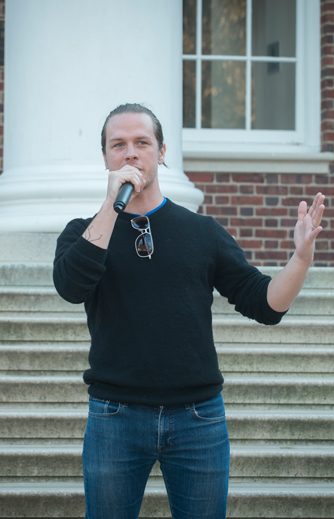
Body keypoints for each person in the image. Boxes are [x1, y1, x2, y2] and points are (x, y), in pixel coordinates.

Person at [53, 103, 325, 519]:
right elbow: (71, 287)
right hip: (115, 417)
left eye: (142, 143)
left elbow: (266, 304)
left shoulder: (202, 232)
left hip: (198, 419)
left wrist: (300, 260)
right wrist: (112, 206)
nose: (130, 153)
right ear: (106, 157)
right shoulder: (83, 232)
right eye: (118, 145)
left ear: (161, 151)